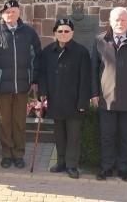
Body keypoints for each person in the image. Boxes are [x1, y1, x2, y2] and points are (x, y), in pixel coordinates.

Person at [91, 6, 127, 182]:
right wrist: (94, 93)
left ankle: (123, 169)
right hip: (106, 97)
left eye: (124, 19)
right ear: (110, 21)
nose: (120, 23)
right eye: (117, 19)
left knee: (126, 136)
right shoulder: (100, 40)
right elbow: (93, 69)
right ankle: (106, 168)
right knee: (107, 136)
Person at [0, 0, 42, 169]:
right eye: (7, 12)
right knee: (4, 121)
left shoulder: (29, 33)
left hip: (23, 87)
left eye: (13, 11)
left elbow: (36, 58)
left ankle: (19, 154)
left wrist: (35, 80)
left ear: (19, 12)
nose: (10, 14)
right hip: (1, 87)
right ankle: (6, 153)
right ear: (2, 15)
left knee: (19, 122)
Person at [39, 19, 91, 179]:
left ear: (72, 33)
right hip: (55, 101)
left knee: (73, 136)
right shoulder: (47, 51)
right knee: (59, 135)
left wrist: (83, 101)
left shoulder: (81, 52)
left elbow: (85, 79)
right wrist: (42, 92)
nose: (63, 34)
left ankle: (72, 165)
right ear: (55, 33)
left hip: (74, 102)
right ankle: (61, 162)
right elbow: (42, 74)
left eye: (66, 31)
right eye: (60, 31)